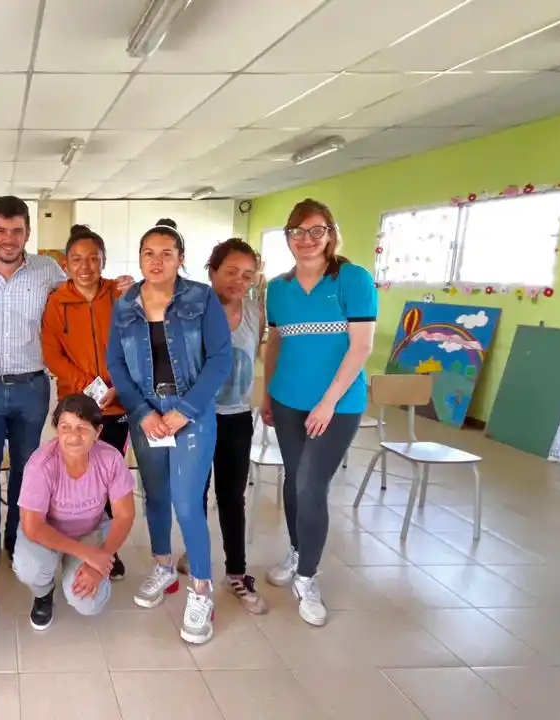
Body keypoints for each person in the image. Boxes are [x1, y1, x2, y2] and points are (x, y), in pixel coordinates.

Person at [0, 196, 131, 574]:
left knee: (25, 467)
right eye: (1, 230)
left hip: (31, 388)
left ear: (28, 233)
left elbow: (87, 284)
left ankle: (18, 535)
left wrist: (121, 285)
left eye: (17, 231)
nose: (9, 239)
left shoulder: (48, 270)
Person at [106, 218, 232, 645]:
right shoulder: (124, 304)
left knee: (186, 501)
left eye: (166, 253)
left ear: (180, 259)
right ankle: (163, 567)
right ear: (139, 259)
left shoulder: (201, 298)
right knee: (155, 496)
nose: (157, 261)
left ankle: (201, 587)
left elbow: (219, 359)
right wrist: (141, 412)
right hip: (147, 415)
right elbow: (116, 365)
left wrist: (186, 410)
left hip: (190, 413)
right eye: (148, 253)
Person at [263, 199, 376, 627]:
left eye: (316, 230)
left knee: (312, 484)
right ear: (288, 237)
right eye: (297, 231)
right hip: (289, 399)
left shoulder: (353, 280)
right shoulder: (278, 288)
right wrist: (269, 394)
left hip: (338, 405)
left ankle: (307, 577)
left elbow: (361, 347)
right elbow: (276, 343)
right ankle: (297, 550)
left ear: (331, 233)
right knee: (295, 479)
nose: (306, 239)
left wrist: (328, 402)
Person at [177, 239, 269, 615]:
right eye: (230, 271)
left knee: (232, 496)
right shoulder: (189, 311)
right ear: (212, 270)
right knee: (193, 494)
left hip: (236, 418)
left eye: (247, 275)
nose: (238, 280)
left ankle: (236, 571)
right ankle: (194, 555)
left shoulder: (253, 313)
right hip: (195, 418)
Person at [40, 224, 129, 580]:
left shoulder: (119, 296)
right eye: (77, 259)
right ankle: (72, 542)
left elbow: (134, 346)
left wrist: (116, 386)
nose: (85, 267)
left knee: (110, 475)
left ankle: (109, 548)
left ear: (103, 261)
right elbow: (53, 354)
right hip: (77, 406)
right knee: (77, 474)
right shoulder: (57, 302)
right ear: (66, 263)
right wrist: (87, 388)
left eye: (93, 259)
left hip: (117, 403)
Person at [13, 395, 135, 630]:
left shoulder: (110, 458)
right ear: (56, 429)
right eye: (65, 427)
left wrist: (101, 559)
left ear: (98, 431)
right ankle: (43, 594)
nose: (72, 436)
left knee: (89, 603)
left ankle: (80, 569)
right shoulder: (41, 464)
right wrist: (88, 555)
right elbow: (32, 526)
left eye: (82, 428)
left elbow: (125, 515)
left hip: (90, 529)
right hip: (47, 533)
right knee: (30, 567)